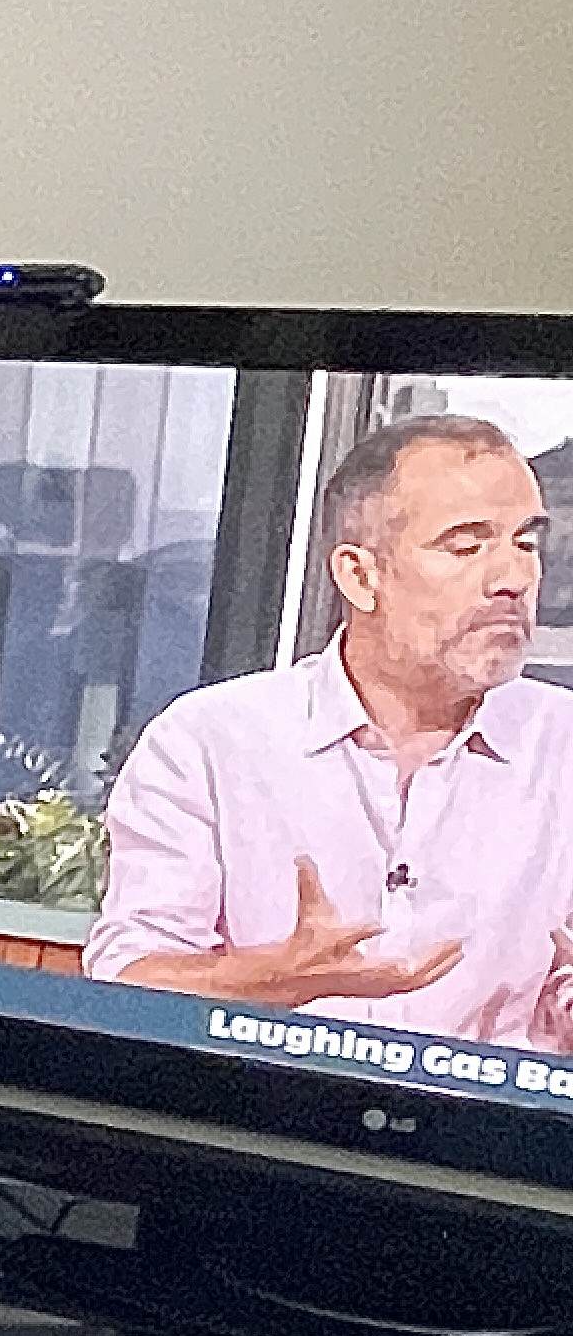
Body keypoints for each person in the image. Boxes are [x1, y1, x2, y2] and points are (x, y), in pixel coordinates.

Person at [85, 414, 573, 1048]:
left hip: (485, 1137)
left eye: (525, 543)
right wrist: (275, 979)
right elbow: (124, 983)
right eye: (466, 546)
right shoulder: (209, 741)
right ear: (360, 576)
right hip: (265, 1129)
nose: (512, 578)